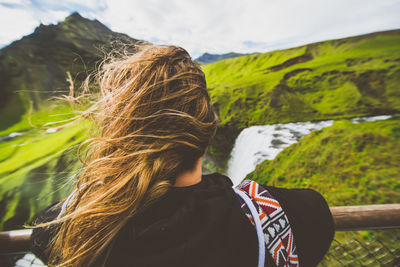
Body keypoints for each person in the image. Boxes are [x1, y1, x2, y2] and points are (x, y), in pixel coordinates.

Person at [30, 44, 334, 267]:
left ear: (121, 138)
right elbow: (318, 210)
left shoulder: (80, 231)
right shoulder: (274, 216)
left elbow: (43, 227)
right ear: (208, 130)